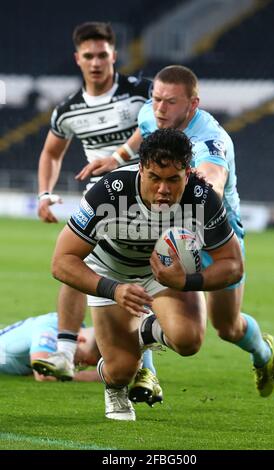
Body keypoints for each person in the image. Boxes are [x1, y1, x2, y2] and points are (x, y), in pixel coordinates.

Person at [79, 65, 274, 400]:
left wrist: (197, 192)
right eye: (156, 99)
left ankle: (263, 354)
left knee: (227, 327)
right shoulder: (153, 114)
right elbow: (143, 133)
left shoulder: (209, 140)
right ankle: (147, 373)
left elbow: (212, 177)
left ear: (193, 105)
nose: (159, 108)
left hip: (213, 234)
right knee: (142, 281)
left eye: (170, 102)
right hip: (166, 228)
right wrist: (115, 158)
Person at [49, 128, 245, 421]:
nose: (163, 190)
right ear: (141, 169)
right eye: (155, 178)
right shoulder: (110, 191)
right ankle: (114, 384)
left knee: (189, 340)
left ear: (188, 173)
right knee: (121, 369)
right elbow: (61, 261)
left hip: (165, 276)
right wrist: (112, 289)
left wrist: (188, 281)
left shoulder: (201, 197)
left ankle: (142, 331)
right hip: (112, 273)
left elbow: (232, 264)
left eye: (173, 180)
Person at [35, 22, 158, 387]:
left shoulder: (141, 93)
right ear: (78, 59)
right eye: (88, 56)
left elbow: (156, 124)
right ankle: (64, 352)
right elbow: (51, 152)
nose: (96, 62)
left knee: (140, 273)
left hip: (147, 201)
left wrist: (120, 155)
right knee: (75, 266)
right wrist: (44, 193)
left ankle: (145, 364)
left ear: (114, 56)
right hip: (101, 204)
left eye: (102, 55)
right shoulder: (68, 110)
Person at [0, 312, 100, 382]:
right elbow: (44, 375)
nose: (78, 366)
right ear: (79, 340)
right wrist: (95, 376)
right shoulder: (51, 328)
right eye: (83, 361)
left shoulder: (69, 326)